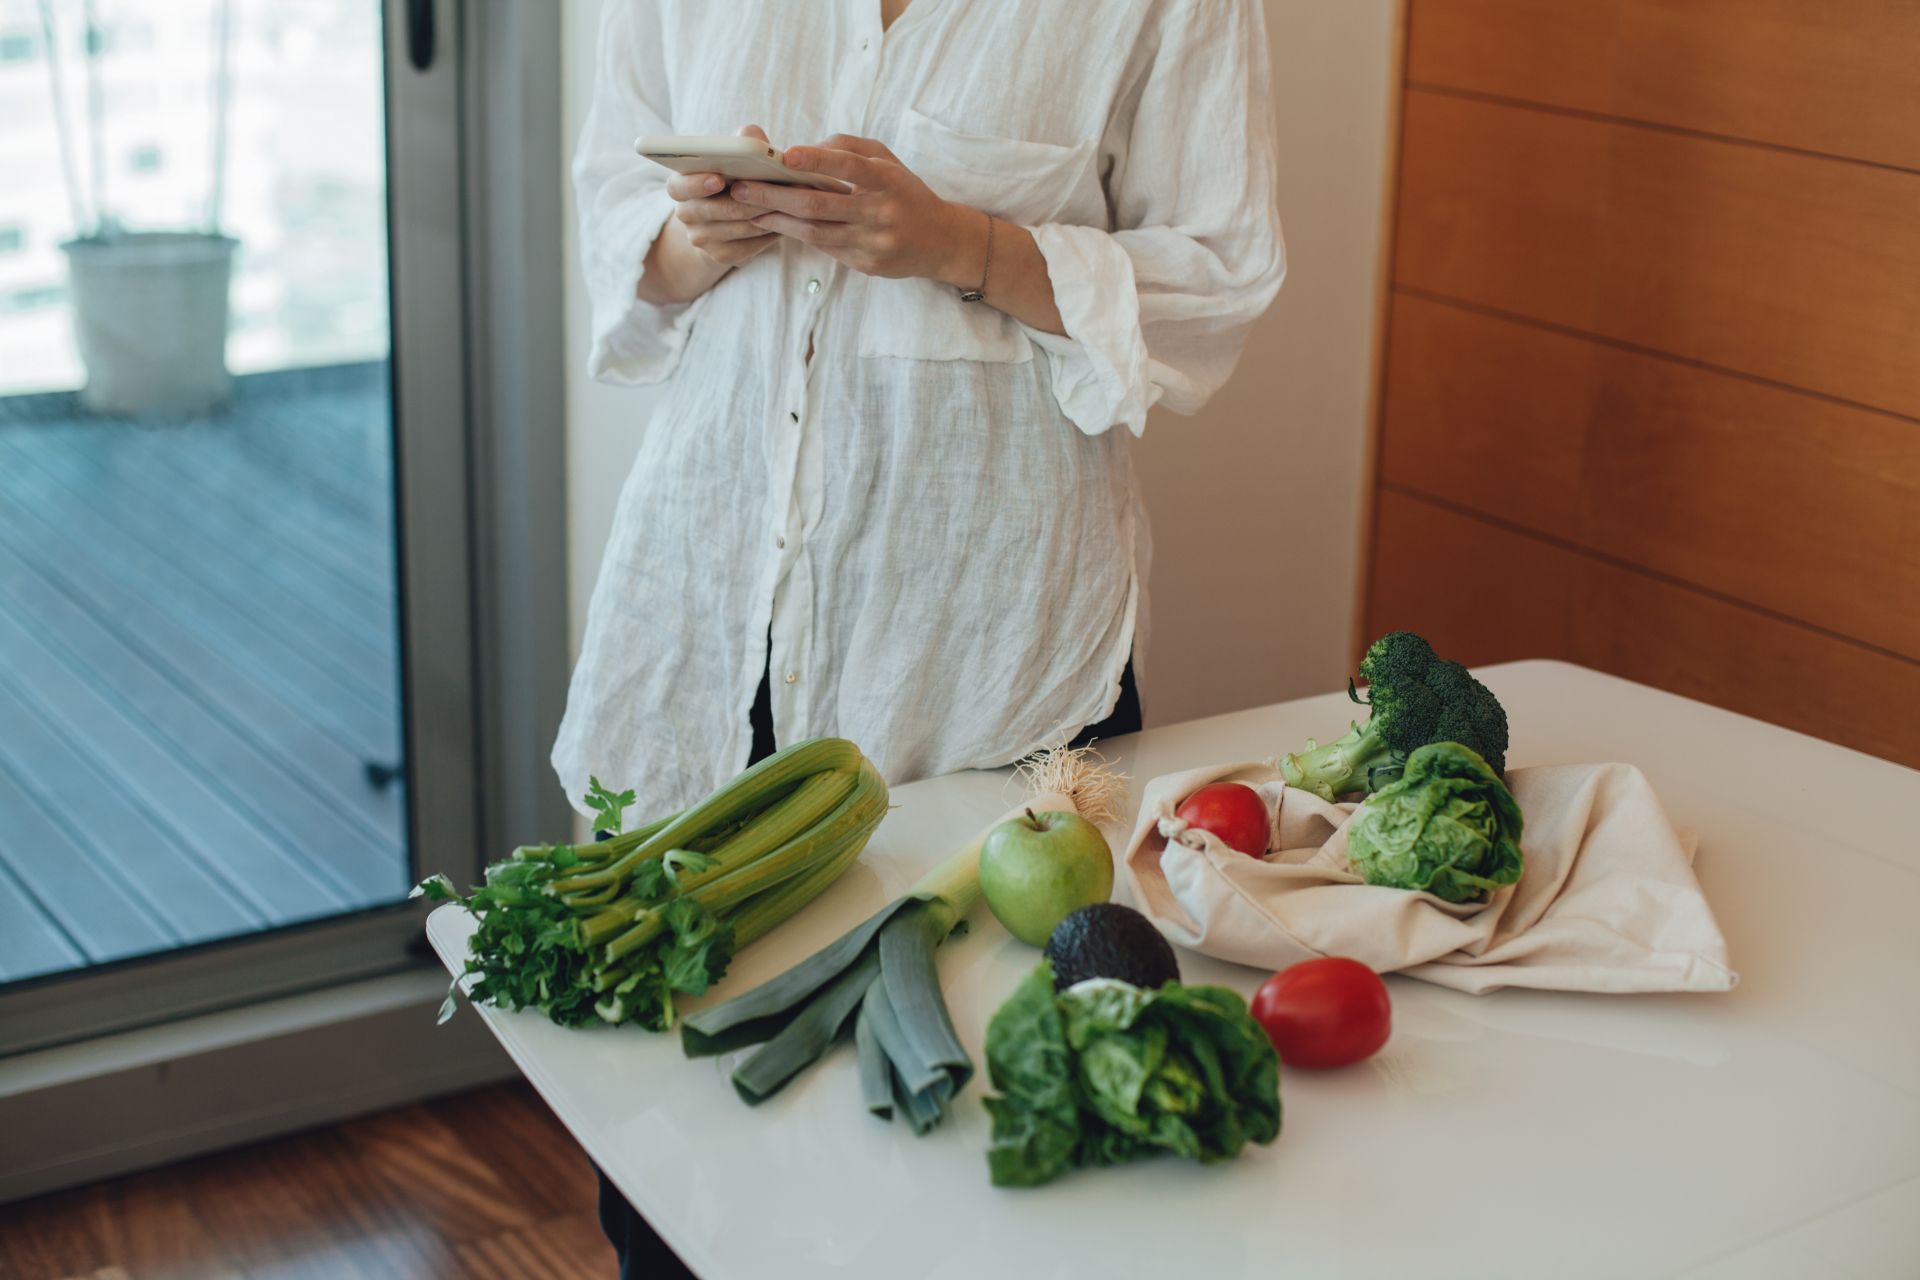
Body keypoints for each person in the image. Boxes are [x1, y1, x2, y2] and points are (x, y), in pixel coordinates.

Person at [564, 0, 1283, 1272]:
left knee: (965, 1138)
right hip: (709, 611)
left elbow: (1220, 273)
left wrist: (967, 242)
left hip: (993, 648)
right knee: (673, 1152)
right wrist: (694, 239)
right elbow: (618, 218)